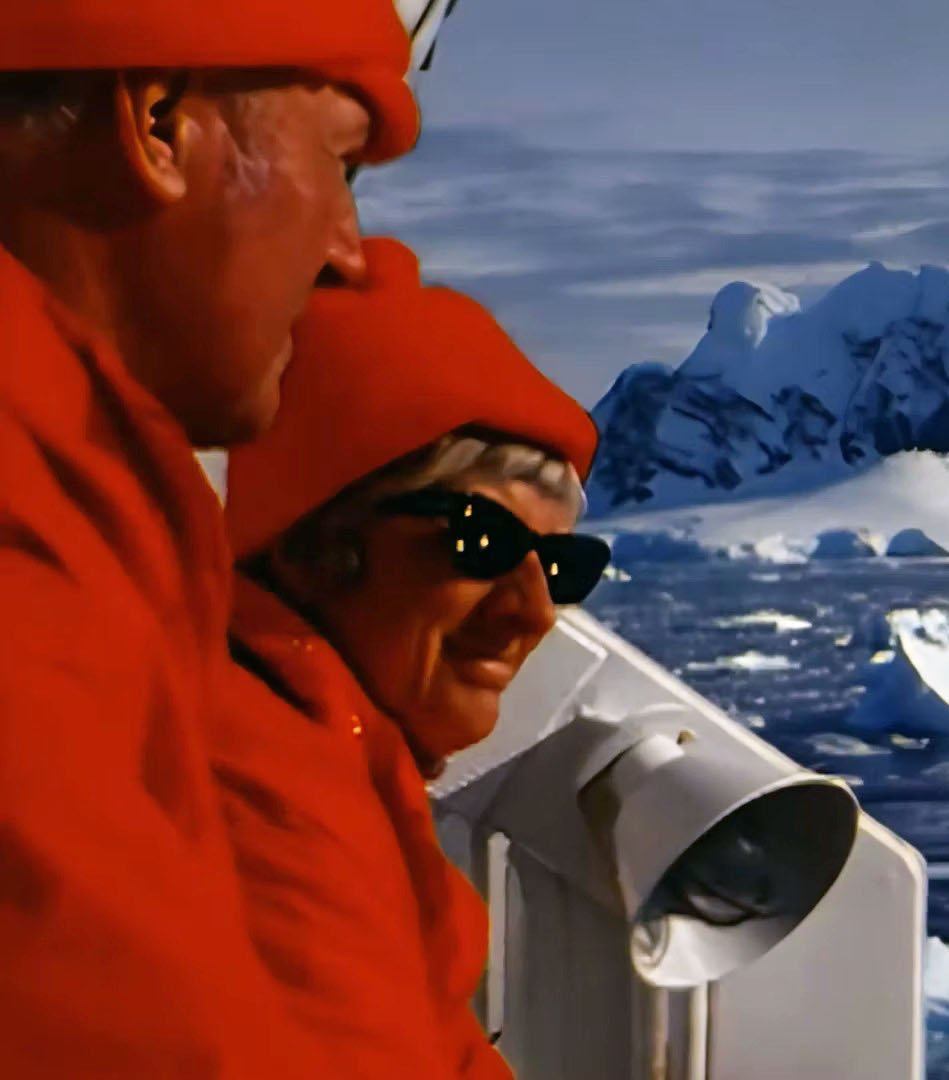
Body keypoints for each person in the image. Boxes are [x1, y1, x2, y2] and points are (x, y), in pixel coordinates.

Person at [0, 2, 419, 1072]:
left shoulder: (80, 509)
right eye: (341, 166)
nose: (353, 254)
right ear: (158, 122)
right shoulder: (28, 546)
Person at [219, 237, 605, 1077]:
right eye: (480, 540)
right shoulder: (265, 814)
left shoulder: (333, 775)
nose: (533, 611)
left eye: (563, 565)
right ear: (316, 545)